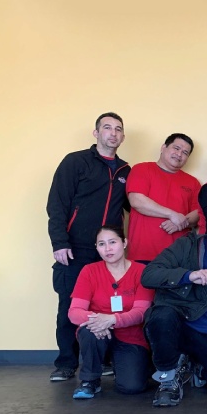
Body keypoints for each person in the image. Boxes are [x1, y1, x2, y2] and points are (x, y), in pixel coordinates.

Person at [46, 112, 130, 382]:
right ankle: (66, 363)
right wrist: (59, 242)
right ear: (96, 133)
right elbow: (57, 204)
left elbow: (137, 206)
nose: (113, 133)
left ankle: (101, 359)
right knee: (70, 306)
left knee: (108, 306)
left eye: (118, 129)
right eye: (107, 128)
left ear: (123, 136)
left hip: (109, 252)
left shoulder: (125, 171)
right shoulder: (76, 162)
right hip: (75, 248)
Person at [141, 205, 207, 407]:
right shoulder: (186, 247)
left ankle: (194, 365)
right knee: (161, 317)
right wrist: (189, 276)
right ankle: (168, 378)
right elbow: (148, 275)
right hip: (179, 324)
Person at [69, 226, 154, 399]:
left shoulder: (141, 271)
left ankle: (120, 366)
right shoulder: (89, 271)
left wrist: (112, 319)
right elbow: (74, 312)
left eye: (112, 242)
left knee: (133, 387)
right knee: (88, 332)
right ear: (97, 248)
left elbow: (141, 312)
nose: (107, 249)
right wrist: (99, 320)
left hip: (130, 336)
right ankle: (89, 381)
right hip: (97, 332)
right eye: (101, 244)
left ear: (124, 243)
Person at [126, 133, 201, 263]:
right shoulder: (142, 169)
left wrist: (180, 224)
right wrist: (172, 214)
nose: (179, 154)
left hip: (178, 257)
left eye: (185, 152)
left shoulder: (193, 182)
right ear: (163, 147)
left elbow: (198, 213)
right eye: (176, 148)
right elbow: (137, 201)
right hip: (142, 254)